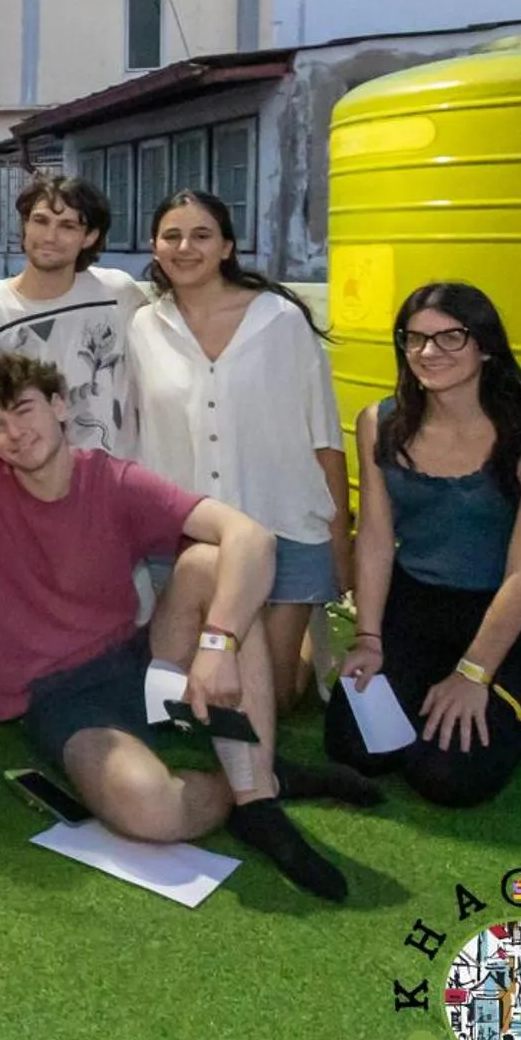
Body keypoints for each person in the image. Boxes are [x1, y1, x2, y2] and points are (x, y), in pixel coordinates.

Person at [0, 352, 379, 902]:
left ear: (60, 406)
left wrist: (216, 643)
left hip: (137, 660)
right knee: (151, 810)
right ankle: (256, 773)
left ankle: (257, 803)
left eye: (23, 410)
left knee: (212, 563)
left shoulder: (112, 480)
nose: (14, 433)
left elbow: (251, 537)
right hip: (57, 697)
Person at [325, 284, 521, 807]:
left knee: (445, 779)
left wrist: (473, 672)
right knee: (357, 749)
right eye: (415, 339)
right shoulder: (381, 422)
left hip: (506, 629)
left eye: (449, 337)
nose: (428, 352)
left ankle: (520, 719)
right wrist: (369, 639)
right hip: (414, 613)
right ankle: (437, 701)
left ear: (485, 346)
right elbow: (373, 537)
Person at [130, 191, 352, 710]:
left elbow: (325, 436)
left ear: (227, 246)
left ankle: (305, 643)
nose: (186, 247)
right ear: (155, 247)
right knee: (192, 702)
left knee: (271, 698)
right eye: (173, 236)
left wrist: (340, 545)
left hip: (284, 524)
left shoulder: (280, 321)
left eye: (202, 235)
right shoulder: (142, 327)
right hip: (187, 537)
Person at [0, 173, 145, 455]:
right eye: (40, 221)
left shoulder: (119, 293)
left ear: (89, 237)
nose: (50, 237)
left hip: (117, 483)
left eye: (67, 225)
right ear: (25, 226)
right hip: (28, 487)